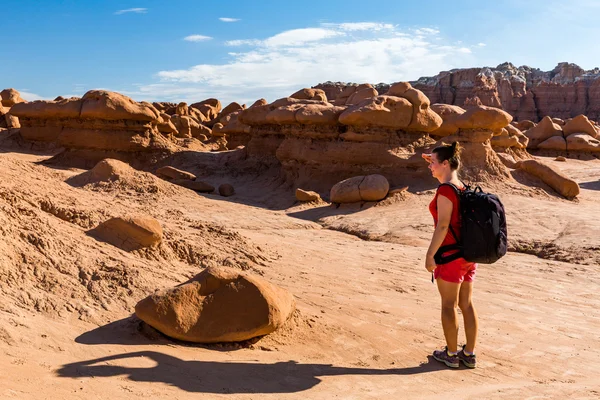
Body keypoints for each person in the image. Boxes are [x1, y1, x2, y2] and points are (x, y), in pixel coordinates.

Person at [421, 142, 478, 369]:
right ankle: (469, 354)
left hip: (450, 256)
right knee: (466, 304)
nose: (430, 167)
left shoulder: (445, 190)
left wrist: (429, 255)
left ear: (445, 164)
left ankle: (452, 354)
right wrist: (433, 157)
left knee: (448, 305)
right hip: (468, 256)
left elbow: (443, 226)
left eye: (433, 163)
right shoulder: (461, 186)